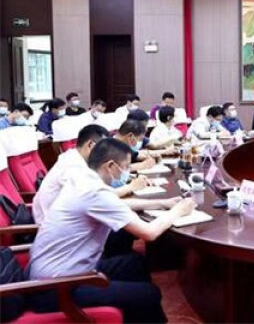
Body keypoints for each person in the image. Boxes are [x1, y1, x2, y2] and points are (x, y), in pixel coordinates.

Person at [28, 138, 195, 323]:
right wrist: (178, 211)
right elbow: (149, 233)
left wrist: (162, 203)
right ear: (111, 166)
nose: (128, 172)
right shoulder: (93, 192)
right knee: (148, 294)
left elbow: (116, 204)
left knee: (135, 264)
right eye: (126, 167)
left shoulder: (84, 180)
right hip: (56, 288)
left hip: (67, 272)